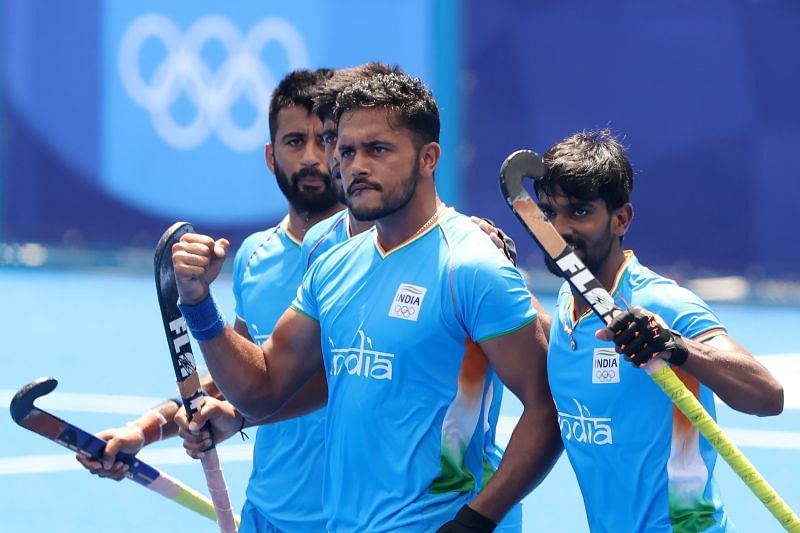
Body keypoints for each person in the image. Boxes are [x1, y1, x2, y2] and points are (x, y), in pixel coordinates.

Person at [172, 72, 562, 532]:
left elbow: (548, 408)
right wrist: (198, 304)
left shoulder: (472, 266)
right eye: (348, 150)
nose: (355, 165)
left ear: (428, 158)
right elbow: (264, 387)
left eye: (378, 149)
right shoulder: (333, 264)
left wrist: (475, 521)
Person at [77, 68, 343, 533]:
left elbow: (345, 375)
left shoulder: (374, 254)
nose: (310, 158)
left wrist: (239, 415)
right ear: (270, 155)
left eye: (325, 140)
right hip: (270, 514)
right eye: (294, 141)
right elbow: (243, 372)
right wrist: (143, 430)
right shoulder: (255, 257)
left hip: (356, 518)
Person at [536, 128, 784, 532]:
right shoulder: (566, 308)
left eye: (579, 212)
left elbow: (767, 395)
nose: (560, 229)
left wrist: (676, 346)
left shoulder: (661, 303)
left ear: (621, 219)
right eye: (549, 213)